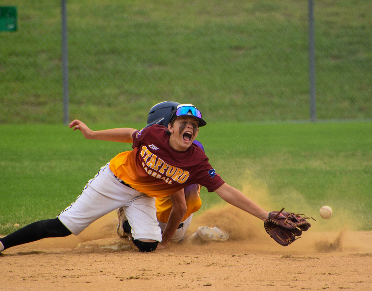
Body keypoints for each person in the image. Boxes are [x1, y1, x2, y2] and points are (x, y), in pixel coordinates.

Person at [0, 103, 269, 253]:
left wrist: (267, 217)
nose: (190, 127)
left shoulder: (196, 161)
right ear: (170, 127)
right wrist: (92, 134)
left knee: (148, 246)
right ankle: (3, 243)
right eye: (184, 122)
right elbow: (130, 134)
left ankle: (127, 223)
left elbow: (226, 191)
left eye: (195, 125)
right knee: (64, 227)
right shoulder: (153, 135)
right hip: (114, 181)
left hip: (143, 195)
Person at [117, 101, 229, 243]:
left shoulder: (167, 153)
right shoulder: (195, 150)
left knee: (128, 179)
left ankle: (128, 230)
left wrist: (164, 242)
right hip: (182, 221)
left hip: (160, 220)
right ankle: (190, 239)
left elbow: (180, 206)